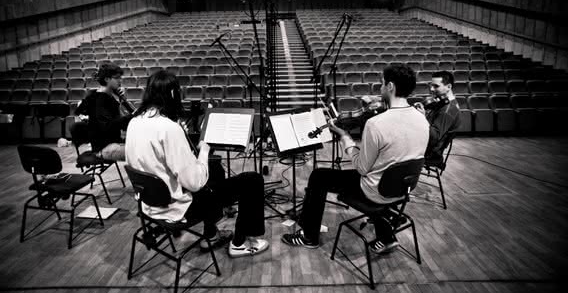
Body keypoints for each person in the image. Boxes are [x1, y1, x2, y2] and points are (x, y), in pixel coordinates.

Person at [281, 64, 429, 254]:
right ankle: (386, 237)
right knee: (376, 174)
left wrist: (345, 138)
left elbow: (361, 168)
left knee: (319, 176)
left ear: (390, 86)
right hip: (403, 188)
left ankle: (309, 236)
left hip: (376, 191)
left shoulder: (376, 124)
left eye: (382, 84)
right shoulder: (421, 118)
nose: (380, 88)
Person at [125, 70, 269, 257]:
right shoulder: (169, 129)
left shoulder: (135, 121)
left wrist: (184, 142)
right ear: (172, 94)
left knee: (215, 169)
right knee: (253, 180)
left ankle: (212, 235)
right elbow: (195, 183)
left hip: (149, 204)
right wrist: (204, 150)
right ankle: (240, 243)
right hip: (179, 208)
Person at [75, 63, 132, 161]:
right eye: (117, 78)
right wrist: (131, 116)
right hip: (104, 149)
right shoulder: (98, 99)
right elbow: (108, 126)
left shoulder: (108, 97)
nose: (120, 80)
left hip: (113, 143)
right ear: (107, 79)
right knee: (142, 151)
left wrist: (119, 100)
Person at [413, 71, 461, 168]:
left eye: (436, 86)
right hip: (424, 145)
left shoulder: (448, 110)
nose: (431, 89)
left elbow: (434, 138)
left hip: (429, 154)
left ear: (449, 87)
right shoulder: (442, 102)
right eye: (431, 85)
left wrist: (422, 118)